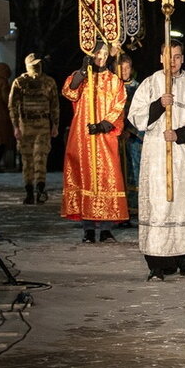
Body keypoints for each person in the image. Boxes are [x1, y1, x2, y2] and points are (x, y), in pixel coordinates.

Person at [128, 40, 185, 280]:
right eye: (169, 56)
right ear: (161, 58)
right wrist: (159, 105)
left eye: (178, 57)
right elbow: (135, 117)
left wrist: (180, 134)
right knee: (161, 206)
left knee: (184, 204)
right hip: (157, 155)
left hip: (184, 155)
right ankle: (158, 263)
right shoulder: (150, 83)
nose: (174, 61)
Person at [60, 42, 128, 242]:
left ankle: (106, 228)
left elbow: (119, 106)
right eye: (98, 52)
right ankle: (88, 228)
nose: (102, 56)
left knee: (107, 178)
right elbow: (69, 92)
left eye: (106, 53)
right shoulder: (83, 78)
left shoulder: (115, 81)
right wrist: (82, 71)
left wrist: (103, 125)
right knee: (85, 177)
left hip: (104, 138)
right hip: (82, 138)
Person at [9, 53, 59, 205]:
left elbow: (54, 105)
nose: (36, 68)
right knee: (27, 160)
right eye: (33, 65)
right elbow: (13, 105)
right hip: (26, 125)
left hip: (42, 125)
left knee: (40, 158)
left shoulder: (48, 82)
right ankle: (30, 191)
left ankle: (40, 188)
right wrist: (16, 126)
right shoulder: (20, 82)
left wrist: (55, 124)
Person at [115, 53, 143, 216]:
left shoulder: (137, 88)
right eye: (121, 68)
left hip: (132, 139)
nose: (124, 71)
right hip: (114, 136)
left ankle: (132, 207)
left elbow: (140, 113)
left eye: (127, 68)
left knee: (133, 171)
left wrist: (130, 131)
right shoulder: (112, 87)